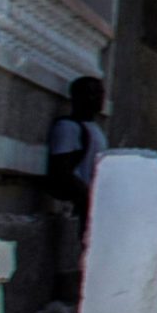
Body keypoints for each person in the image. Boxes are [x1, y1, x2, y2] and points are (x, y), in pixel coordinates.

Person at [46, 76, 108, 217]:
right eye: (92, 93)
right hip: (77, 206)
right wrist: (85, 197)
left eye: (101, 93)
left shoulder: (94, 128)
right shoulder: (68, 127)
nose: (98, 98)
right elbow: (62, 169)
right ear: (77, 97)